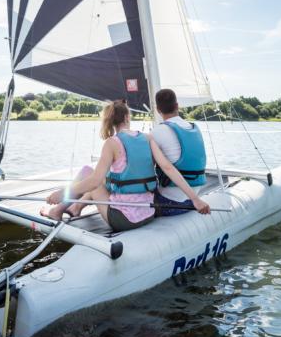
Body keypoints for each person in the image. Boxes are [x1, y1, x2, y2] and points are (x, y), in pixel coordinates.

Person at [43, 99, 210, 231]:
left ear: (111, 120)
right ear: (127, 117)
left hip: (123, 219)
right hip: (148, 213)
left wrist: (63, 193)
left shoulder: (111, 143)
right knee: (103, 177)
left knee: (88, 172)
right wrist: (195, 199)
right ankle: (76, 208)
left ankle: (57, 211)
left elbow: (94, 182)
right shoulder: (147, 138)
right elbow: (168, 168)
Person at [151, 88, 208, 216]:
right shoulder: (194, 128)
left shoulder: (157, 132)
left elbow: (147, 166)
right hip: (194, 197)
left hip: (171, 203)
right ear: (177, 105)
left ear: (158, 109)